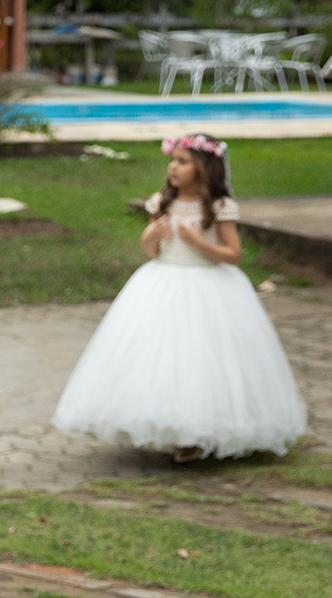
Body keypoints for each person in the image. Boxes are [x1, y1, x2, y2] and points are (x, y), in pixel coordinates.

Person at [52, 134, 306, 464]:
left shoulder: (218, 207)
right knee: (161, 357)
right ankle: (167, 425)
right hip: (162, 282)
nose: (173, 167)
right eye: (172, 160)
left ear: (205, 168)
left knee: (203, 358)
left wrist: (197, 242)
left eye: (183, 161)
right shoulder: (162, 202)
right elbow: (153, 251)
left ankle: (200, 433)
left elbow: (232, 255)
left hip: (210, 287)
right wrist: (152, 235)